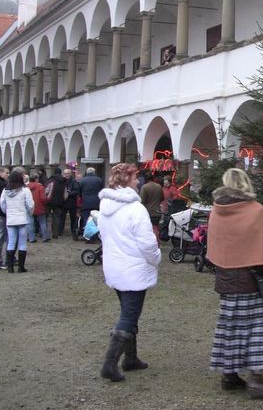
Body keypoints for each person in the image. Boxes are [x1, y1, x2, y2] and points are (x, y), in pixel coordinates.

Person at [207, 168, 263, 398]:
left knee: (230, 326)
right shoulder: (256, 210)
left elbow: (217, 242)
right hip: (251, 279)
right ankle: (257, 381)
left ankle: (229, 375)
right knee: (257, 328)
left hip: (226, 278)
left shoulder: (216, 211)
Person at [97, 163, 161, 382]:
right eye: (135, 177)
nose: (138, 181)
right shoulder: (135, 209)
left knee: (128, 312)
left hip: (115, 267)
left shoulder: (105, 206)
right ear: (126, 179)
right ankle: (109, 363)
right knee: (129, 315)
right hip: (134, 269)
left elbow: (105, 237)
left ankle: (131, 358)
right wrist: (156, 259)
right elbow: (147, 243)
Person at [0, 169, 34, 273]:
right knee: (22, 243)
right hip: (22, 219)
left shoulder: (5, 191)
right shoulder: (25, 190)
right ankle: (21, 267)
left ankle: (10, 267)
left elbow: (2, 204)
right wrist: (29, 213)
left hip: (10, 220)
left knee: (11, 242)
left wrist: (8, 213)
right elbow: (30, 204)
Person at [139, 170, 164, 239]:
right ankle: (157, 243)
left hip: (148, 212)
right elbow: (162, 198)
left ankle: (153, 244)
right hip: (157, 212)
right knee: (156, 229)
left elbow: (142, 201)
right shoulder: (159, 186)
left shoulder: (144, 187)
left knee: (150, 230)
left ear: (145, 179)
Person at [80, 167, 104, 236]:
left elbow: (79, 192)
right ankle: (96, 235)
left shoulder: (82, 180)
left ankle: (88, 236)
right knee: (95, 218)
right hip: (96, 202)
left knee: (86, 219)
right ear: (94, 172)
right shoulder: (99, 180)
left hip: (86, 202)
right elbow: (102, 191)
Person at [46, 168, 67, 239]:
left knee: (46, 217)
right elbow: (65, 193)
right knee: (56, 218)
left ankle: (47, 233)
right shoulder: (64, 181)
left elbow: (47, 190)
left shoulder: (51, 180)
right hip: (59, 202)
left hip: (49, 201)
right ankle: (55, 233)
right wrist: (63, 200)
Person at [28, 172, 49, 242]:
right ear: (36, 179)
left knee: (30, 222)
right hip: (39, 206)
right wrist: (46, 202)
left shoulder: (26, 187)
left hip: (30, 207)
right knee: (42, 222)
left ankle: (31, 238)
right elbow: (43, 198)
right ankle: (45, 237)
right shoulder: (40, 187)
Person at [61, 169, 81, 240]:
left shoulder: (74, 182)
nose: (67, 175)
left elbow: (76, 191)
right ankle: (61, 230)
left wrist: (68, 194)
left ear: (70, 174)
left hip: (72, 202)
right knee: (62, 217)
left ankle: (73, 230)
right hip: (63, 202)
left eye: (68, 173)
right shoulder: (61, 181)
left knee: (73, 218)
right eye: (65, 173)